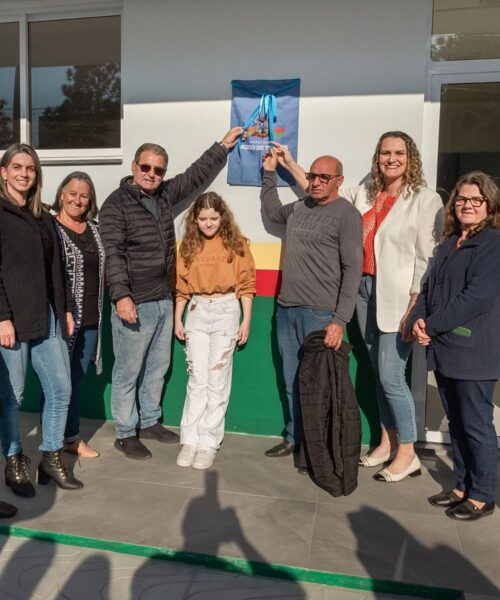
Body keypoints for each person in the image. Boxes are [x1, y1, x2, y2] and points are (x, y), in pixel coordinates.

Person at [276, 132, 443, 481]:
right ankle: (387, 442)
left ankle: (409, 451)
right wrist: (289, 162)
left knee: (391, 375)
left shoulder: (426, 200)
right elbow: (319, 184)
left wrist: (416, 302)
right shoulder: (367, 192)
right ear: (377, 157)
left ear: (410, 158)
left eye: (399, 153)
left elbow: (427, 256)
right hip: (365, 292)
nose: (391, 159)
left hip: (399, 297)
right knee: (375, 373)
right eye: (385, 152)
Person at [99, 127, 243, 459]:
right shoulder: (115, 205)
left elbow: (195, 176)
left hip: (164, 298)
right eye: (146, 167)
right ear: (134, 167)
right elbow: (113, 253)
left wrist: (222, 146)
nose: (152, 174)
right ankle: (125, 431)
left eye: (158, 169)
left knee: (157, 367)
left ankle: (149, 421)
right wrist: (121, 297)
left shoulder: (163, 194)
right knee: (127, 370)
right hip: (133, 302)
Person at [260, 149, 363, 462]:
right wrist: (268, 175)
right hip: (286, 310)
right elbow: (273, 212)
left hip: (320, 315)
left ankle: (319, 449)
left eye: (324, 177)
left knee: (319, 385)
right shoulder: (299, 207)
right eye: (313, 176)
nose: (316, 182)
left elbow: (353, 270)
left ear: (338, 181)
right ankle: (296, 439)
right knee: (293, 380)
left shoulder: (347, 215)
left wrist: (339, 320)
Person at [412, 171, 500, 521]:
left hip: (474, 351)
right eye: (461, 199)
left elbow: (474, 299)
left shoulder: (493, 244)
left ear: (489, 206)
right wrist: (419, 319)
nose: (467, 205)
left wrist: (430, 325)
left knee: (476, 424)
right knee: (458, 422)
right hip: (446, 347)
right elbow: (429, 288)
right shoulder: (450, 242)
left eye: (475, 200)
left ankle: (482, 495)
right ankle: (462, 486)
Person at [0, 144, 83, 508]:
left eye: (30, 168)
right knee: (12, 397)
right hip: (11, 323)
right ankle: (14, 459)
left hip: (46, 318)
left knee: (60, 389)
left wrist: (63, 309)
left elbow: (56, 270)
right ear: (3, 172)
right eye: (16, 167)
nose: (24, 174)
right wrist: (1, 316)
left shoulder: (42, 217)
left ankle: (50, 458)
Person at [174, 192, 256, 469]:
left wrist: (246, 320)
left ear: (223, 218)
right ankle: (190, 439)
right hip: (196, 311)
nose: (208, 224)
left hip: (226, 310)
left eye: (213, 218)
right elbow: (182, 288)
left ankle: (208, 442)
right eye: (203, 219)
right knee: (197, 378)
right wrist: (178, 318)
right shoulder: (188, 247)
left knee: (217, 379)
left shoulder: (238, 245)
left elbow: (246, 285)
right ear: (195, 220)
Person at [47, 172, 105, 458]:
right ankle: (51, 443)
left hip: (91, 320)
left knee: (77, 380)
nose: (77, 199)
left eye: (84, 195)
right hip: (62, 320)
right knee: (58, 383)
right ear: (61, 194)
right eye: (72, 193)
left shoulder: (95, 229)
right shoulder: (51, 228)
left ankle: (71, 437)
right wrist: (64, 310)